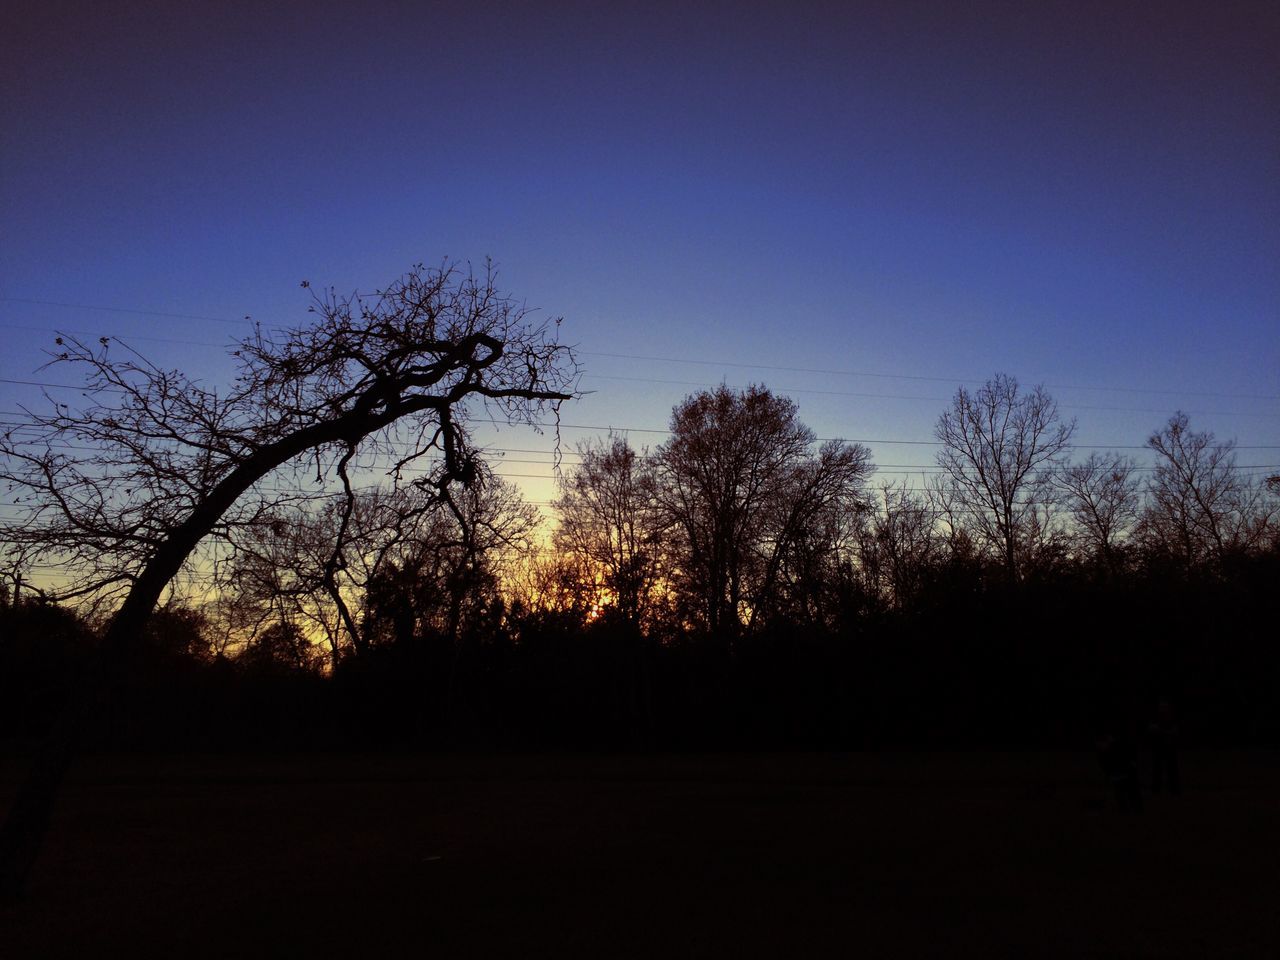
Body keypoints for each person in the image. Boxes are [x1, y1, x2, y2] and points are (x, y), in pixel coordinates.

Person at [1148, 699, 1181, 796]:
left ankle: (1173, 788)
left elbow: (1176, 730)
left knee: (1172, 769)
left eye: (1165, 706)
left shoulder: (1172, 717)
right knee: (1157, 768)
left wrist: (1168, 733)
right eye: (1162, 706)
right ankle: (1156, 789)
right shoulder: (1155, 717)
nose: (1163, 708)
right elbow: (1151, 728)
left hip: (1170, 747)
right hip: (1158, 747)